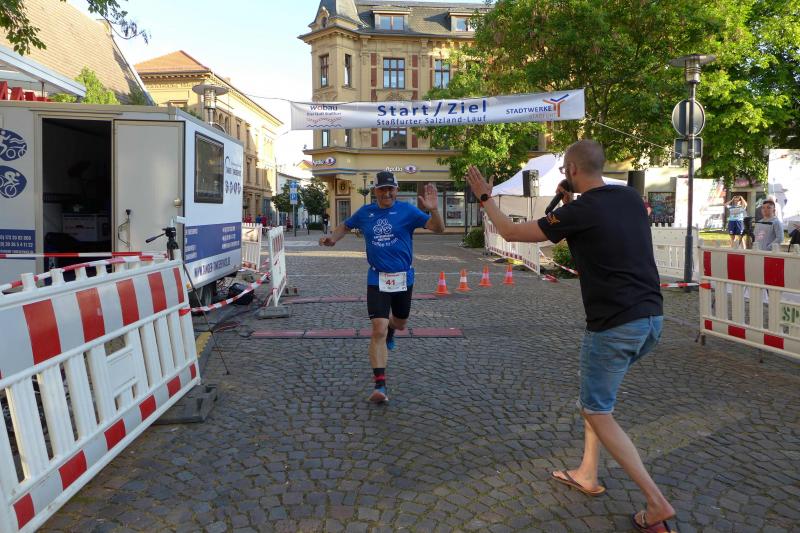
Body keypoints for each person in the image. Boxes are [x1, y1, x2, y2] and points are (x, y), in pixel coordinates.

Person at [466, 140, 673, 533]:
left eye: (564, 169)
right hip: (651, 319)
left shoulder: (580, 211)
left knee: (596, 410)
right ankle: (587, 473)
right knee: (597, 400)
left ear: (573, 170)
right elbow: (591, 229)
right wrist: (567, 202)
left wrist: (485, 197)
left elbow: (510, 230)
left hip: (614, 324)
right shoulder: (629, 198)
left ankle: (656, 501)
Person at [319, 171, 444, 403]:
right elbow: (345, 226)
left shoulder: (408, 211)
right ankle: (380, 385)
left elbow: (439, 229)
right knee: (378, 329)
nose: (387, 193)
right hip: (377, 278)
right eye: (382, 189)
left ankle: (392, 329)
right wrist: (332, 239)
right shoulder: (366, 213)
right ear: (375, 191)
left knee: (400, 323)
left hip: (403, 277)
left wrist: (434, 210)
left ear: (396, 190)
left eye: (390, 189)